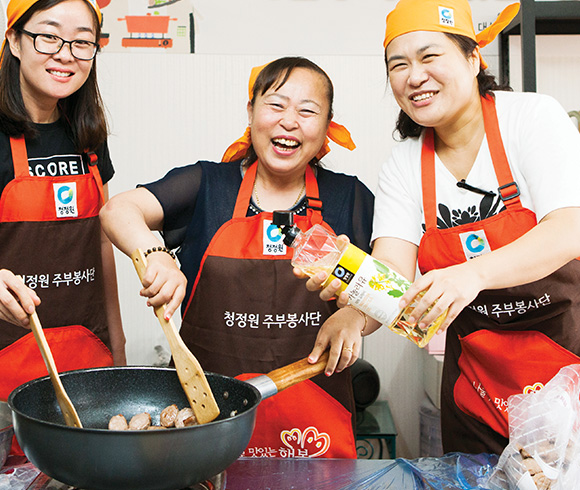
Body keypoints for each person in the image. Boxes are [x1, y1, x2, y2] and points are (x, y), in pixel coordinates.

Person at [305, 0, 580, 455]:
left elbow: (569, 227)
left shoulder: (531, 118)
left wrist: (471, 274)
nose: (414, 76)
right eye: (399, 64)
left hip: (568, 375)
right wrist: (355, 310)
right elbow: (392, 274)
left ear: (473, 59)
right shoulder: (403, 166)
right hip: (478, 393)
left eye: (430, 56)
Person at [100, 56, 374, 459]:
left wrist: (356, 316)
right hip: (208, 425)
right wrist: (156, 254)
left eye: (307, 110)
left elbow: (392, 290)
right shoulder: (206, 186)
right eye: (276, 105)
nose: (288, 121)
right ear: (251, 111)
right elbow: (117, 210)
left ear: (327, 123)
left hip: (316, 433)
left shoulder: (350, 198)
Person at [0, 0, 126, 404]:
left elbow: (101, 240)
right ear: (15, 41)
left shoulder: (87, 135)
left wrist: (117, 337)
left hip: (86, 355)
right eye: (48, 36)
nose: (65, 54)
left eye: (81, 42)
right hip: (7, 361)